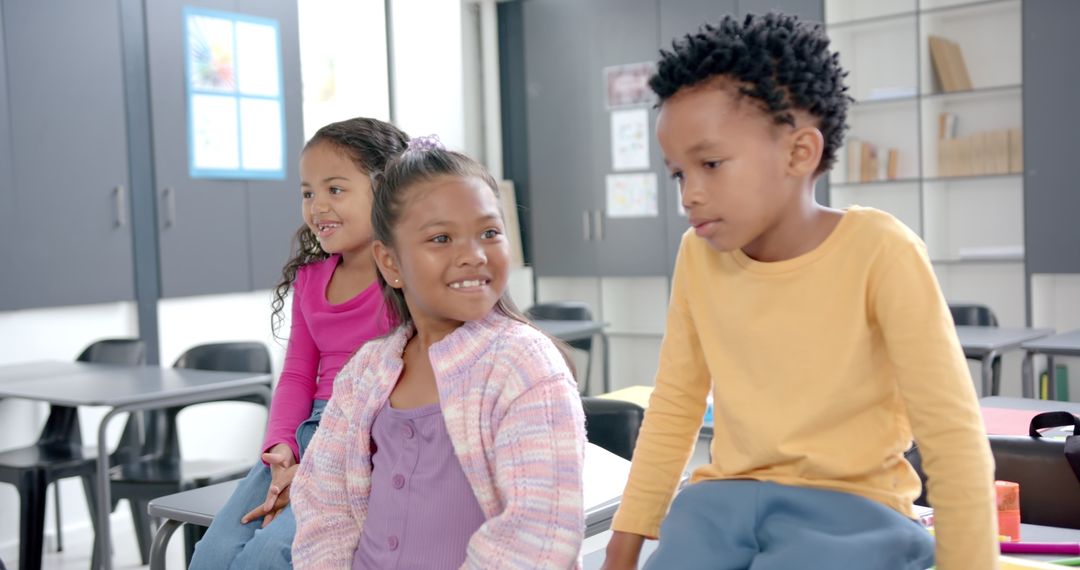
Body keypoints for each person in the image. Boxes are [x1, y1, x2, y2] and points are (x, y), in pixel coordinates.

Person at [601, 12, 997, 570]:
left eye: (710, 164)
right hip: (718, 506)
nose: (690, 194)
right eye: (679, 174)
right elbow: (675, 405)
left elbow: (952, 434)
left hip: (850, 513)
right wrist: (624, 545)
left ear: (799, 154)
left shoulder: (881, 251)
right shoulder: (697, 256)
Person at [291, 137, 587, 569]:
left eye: (489, 232)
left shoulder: (524, 365)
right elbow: (324, 506)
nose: (472, 255)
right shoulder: (366, 372)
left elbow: (536, 533)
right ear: (390, 263)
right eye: (442, 238)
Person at [189, 117, 409, 569]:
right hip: (304, 435)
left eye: (335, 189)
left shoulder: (404, 278)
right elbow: (295, 375)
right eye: (308, 193)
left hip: (365, 440)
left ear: (386, 190)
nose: (318, 207)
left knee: (269, 557)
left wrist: (317, 468)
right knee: (210, 555)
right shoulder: (311, 280)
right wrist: (282, 451)